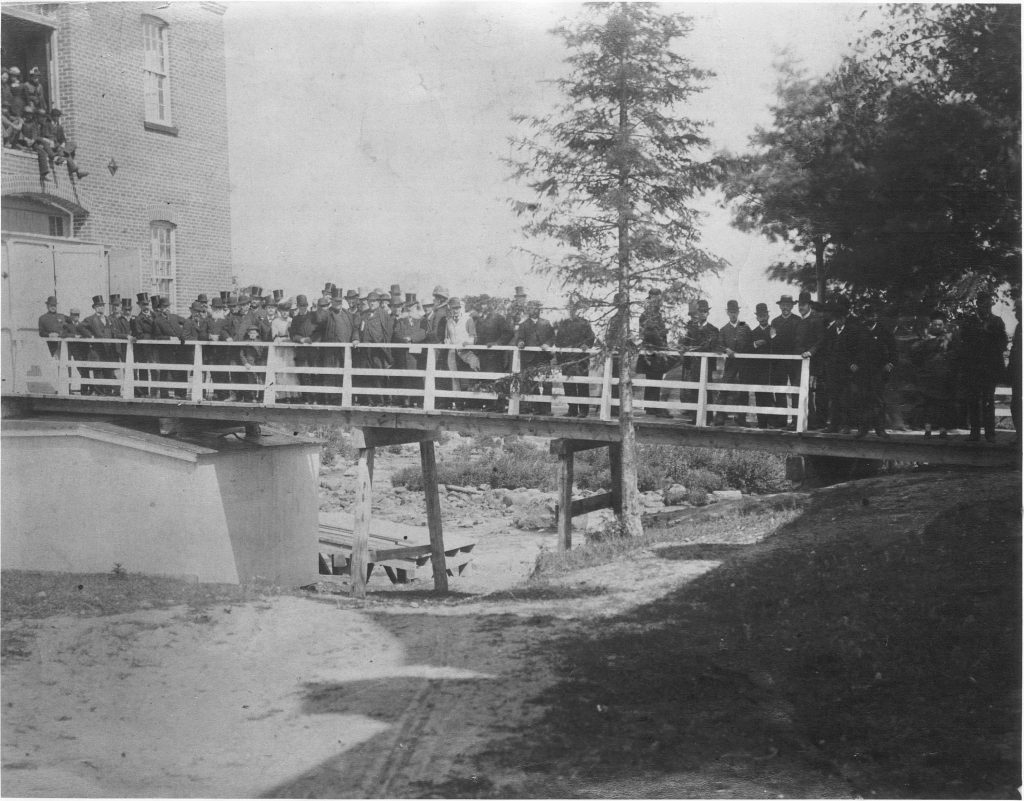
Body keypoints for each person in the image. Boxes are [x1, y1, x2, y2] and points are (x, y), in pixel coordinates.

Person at [953, 290, 1007, 442]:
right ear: (978, 305)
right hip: (973, 369)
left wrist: (990, 334)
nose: (987, 307)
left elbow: (1003, 344)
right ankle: (974, 433)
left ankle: (990, 434)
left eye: (989, 304)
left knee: (988, 401)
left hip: (989, 369)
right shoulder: (969, 321)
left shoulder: (997, 321)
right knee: (973, 400)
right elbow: (963, 342)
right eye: (984, 304)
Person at [910, 311, 955, 438]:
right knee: (928, 404)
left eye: (940, 325)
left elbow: (955, 354)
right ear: (931, 325)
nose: (937, 327)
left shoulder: (949, 338)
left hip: (943, 376)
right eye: (935, 324)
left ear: (944, 325)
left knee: (942, 404)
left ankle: (942, 430)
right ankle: (928, 430)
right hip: (928, 377)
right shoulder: (925, 339)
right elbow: (915, 355)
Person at [855, 303, 896, 438]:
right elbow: (850, 350)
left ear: (876, 316)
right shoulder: (858, 331)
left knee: (878, 401)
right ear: (864, 317)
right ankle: (863, 429)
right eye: (867, 316)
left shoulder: (884, 332)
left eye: (872, 315)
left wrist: (890, 363)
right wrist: (852, 364)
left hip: (879, 372)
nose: (870, 318)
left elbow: (894, 351)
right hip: (862, 372)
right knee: (862, 399)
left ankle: (880, 429)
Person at [822, 298, 861, 434]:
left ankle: (847, 425)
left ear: (845, 318)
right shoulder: (831, 331)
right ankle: (834, 425)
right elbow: (827, 348)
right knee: (834, 398)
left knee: (846, 399)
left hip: (847, 371)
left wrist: (855, 363)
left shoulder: (853, 331)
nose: (838, 322)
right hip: (833, 370)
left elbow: (859, 350)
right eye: (836, 319)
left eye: (841, 319)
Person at [555, 295, 596, 418]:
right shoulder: (564, 324)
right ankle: (572, 409)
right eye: (570, 309)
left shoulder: (584, 323)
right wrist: (559, 357)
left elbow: (591, 337)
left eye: (574, 309)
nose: (572, 311)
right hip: (566, 359)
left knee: (582, 384)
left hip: (580, 359)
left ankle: (583, 410)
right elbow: (558, 341)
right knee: (568, 385)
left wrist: (585, 345)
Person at [714, 300, 753, 426]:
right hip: (730, 363)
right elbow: (718, 344)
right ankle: (720, 417)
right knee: (724, 387)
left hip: (744, 364)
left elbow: (750, 343)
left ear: (738, 312)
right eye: (731, 312)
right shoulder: (724, 329)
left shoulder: (745, 327)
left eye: (735, 312)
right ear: (727, 313)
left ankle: (741, 418)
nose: (733, 315)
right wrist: (726, 349)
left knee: (743, 389)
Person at [680, 299, 719, 424]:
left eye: (705, 311)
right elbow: (684, 342)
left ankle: (708, 418)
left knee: (707, 389)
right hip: (693, 364)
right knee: (694, 390)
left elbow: (709, 345)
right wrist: (683, 347)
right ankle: (695, 417)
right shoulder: (690, 328)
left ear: (708, 313)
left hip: (707, 365)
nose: (702, 314)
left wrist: (693, 347)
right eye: (700, 311)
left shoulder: (713, 329)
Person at [515, 300, 555, 414]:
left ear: (539, 310)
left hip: (543, 357)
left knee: (547, 383)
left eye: (537, 308)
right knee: (532, 384)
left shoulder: (546, 323)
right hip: (530, 358)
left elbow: (552, 337)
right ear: (528, 311)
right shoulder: (523, 325)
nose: (535, 310)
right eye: (532, 308)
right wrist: (521, 342)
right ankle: (536, 408)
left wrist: (547, 344)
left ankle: (547, 409)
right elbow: (518, 338)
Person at [797, 290, 827, 429]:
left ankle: (815, 421)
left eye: (803, 305)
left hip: (814, 363)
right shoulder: (800, 321)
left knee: (814, 392)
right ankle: (805, 420)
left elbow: (821, 341)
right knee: (804, 391)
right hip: (802, 362)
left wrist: (810, 352)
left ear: (809, 305)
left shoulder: (816, 320)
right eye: (799, 305)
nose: (800, 307)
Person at [770, 294, 802, 428]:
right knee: (780, 390)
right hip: (780, 362)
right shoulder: (775, 322)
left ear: (792, 306)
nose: (785, 307)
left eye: (788, 305)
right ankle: (781, 420)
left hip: (794, 361)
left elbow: (799, 341)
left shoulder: (798, 320)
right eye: (783, 305)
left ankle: (795, 420)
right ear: (779, 306)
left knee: (795, 390)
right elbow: (773, 340)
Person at [444, 297, 481, 408]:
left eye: (457, 308)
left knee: (469, 375)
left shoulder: (467, 319)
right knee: (454, 377)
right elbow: (447, 337)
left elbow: (473, 338)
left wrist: (467, 342)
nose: (455, 310)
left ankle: (472, 402)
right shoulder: (449, 322)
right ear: (450, 309)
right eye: (453, 308)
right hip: (452, 352)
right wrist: (447, 341)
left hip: (465, 352)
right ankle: (458, 402)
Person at [391, 294, 427, 407]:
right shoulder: (401, 319)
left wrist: (412, 338)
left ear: (416, 305)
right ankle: (406, 399)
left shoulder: (421, 319)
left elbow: (423, 332)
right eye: (408, 305)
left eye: (412, 305)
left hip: (416, 353)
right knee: (405, 376)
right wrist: (404, 339)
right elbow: (396, 333)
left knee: (417, 375)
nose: (410, 308)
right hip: (404, 352)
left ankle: (418, 400)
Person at [747, 302, 778, 428]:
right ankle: (762, 423)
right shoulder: (753, 332)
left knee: (770, 395)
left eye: (764, 315)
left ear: (768, 316)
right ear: (757, 317)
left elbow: (778, 346)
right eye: (760, 315)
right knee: (759, 395)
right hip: (758, 370)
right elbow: (747, 348)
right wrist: (755, 344)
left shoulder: (773, 330)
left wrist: (772, 338)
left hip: (771, 368)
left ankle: (772, 422)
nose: (762, 317)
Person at [152, 297, 188, 398]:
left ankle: (180, 394)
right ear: (160, 308)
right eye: (164, 307)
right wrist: (169, 339)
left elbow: (187, 323)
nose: (167, 309)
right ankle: (164, 394)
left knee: (179, 371)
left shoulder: (174, 317)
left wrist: (183, 335)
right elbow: (157, 337)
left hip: (178, 350)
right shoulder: (157, 321)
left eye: (168, 306)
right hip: (165, 350)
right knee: (165, 371)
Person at [131, 293, 157, 397]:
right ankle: (144, 392)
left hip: (155, 346)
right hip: (144, 347)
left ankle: (155, 392)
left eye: (147, 304)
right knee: (143, 369)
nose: (146, 306)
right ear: (139, 305)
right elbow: (139, 333)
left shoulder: (155, 316)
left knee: (155, 369)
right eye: (143, 304)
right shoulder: (138, 319)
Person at [1009, 298, 1021, 443]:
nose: (1017, 313)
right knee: (1016, 405)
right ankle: (1020, 435)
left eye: (1019, 310)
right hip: (1018, 375)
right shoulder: (1019, 328)